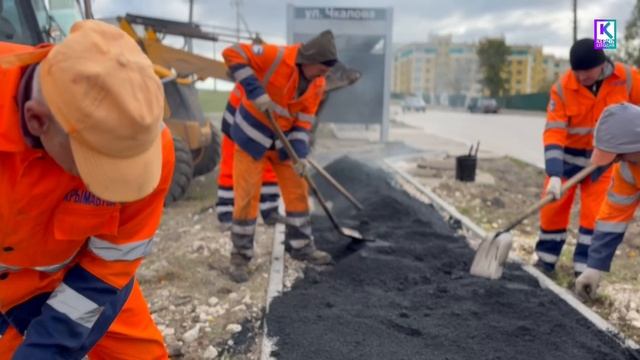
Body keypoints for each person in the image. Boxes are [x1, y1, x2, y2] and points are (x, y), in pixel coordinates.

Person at [0, 20, 173, 358]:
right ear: (37, 121)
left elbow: (111, 263)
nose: (114, 184)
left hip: (84, 276)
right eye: (96, 166)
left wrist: (50, 344)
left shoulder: (145, 147)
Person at [222, 30, 338, 282]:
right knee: (246, 196)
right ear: (307, 61)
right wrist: (255, 91)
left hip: (283, 142)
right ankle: (240, 257)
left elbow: (304, 123)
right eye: (320, 70)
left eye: (326, 73)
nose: (323, 76)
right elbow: (232, 53)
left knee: (298, 190)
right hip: (253, 136)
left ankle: (301, 248)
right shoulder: (276, 56)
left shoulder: (318, 85)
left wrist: (301, 156)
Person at [535, 38, 640, 275]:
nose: (581, 77)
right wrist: (553, 173)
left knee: (596, 214)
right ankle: (544, 261)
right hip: (567, 162)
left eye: (587, 71)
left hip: (603, 163)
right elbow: (554, 130)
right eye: (577, 71)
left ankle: (584, 271)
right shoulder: (562, 88)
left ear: (602, 64)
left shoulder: (628, 78)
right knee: (552, 208)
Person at [575, 103, 640, 299]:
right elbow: (612, 217)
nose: (617, 161)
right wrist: (594, 266)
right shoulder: (628, 168)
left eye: (619, 155)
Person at [215, 83, 280, 229]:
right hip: (235, 127)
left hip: (260, 126)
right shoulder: (253, 81)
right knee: (231, 169)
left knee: (269, 165)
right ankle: (226, 212)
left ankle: (270, 211)